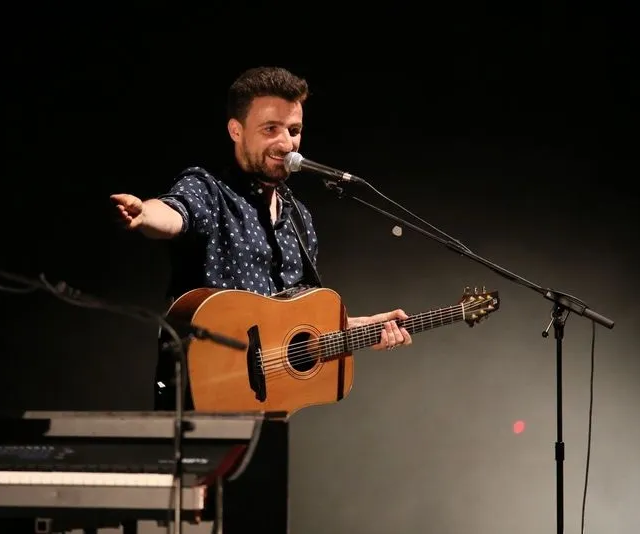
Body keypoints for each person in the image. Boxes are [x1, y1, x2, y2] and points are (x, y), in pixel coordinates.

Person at [110, 66, 413, 410]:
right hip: (202, 395)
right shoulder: (209, 190)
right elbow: (175, 213)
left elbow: (294, 321)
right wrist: (144, 214)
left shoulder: (299, 218)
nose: (286, 143)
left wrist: (359, 329)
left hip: (268, 405)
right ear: (236, 130)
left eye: (294, 130)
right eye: (271, 129)